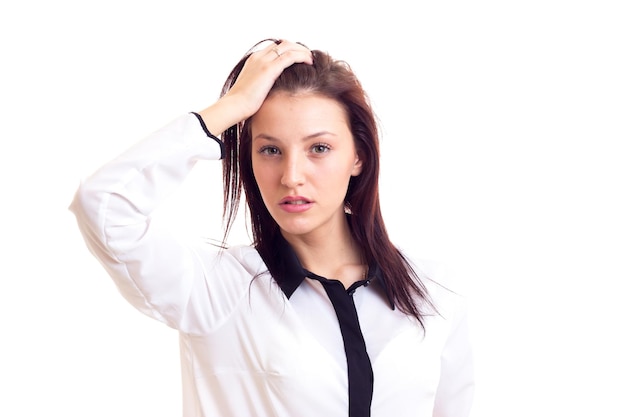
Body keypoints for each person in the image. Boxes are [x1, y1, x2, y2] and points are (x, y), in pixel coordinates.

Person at [70, 38, 474, 417]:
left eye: (319, 148)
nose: (291, 175)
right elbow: (103, 204)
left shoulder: (435, 291)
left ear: (359, 157)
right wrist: (231, 108)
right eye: (270, 150)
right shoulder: (215, 290)